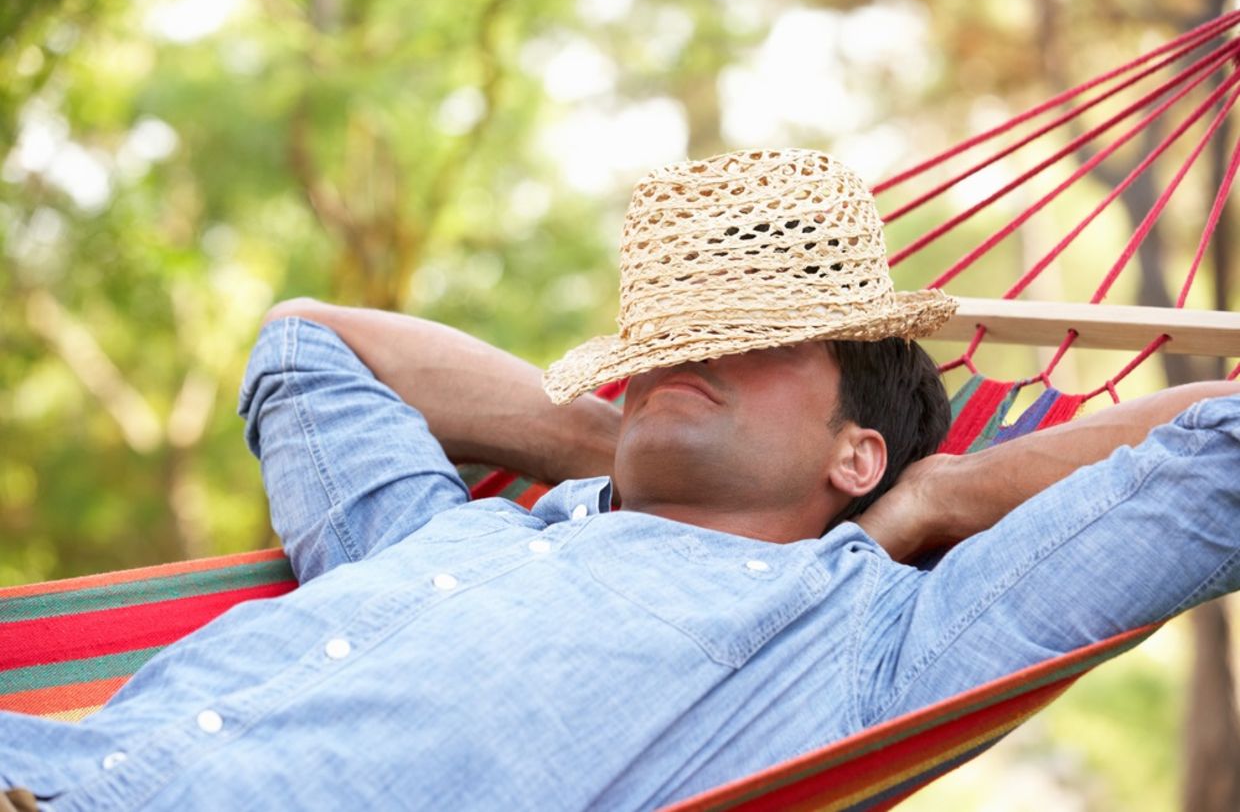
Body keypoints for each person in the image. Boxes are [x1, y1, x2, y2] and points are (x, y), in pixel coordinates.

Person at [2, 149, 1237, 811]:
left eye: (754, 334)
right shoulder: (434, 536)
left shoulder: (866, 643)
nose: (687, 348)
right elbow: (307, 340)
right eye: (671, 335)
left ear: (856, 452)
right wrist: (619, 441)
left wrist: (945, 496)